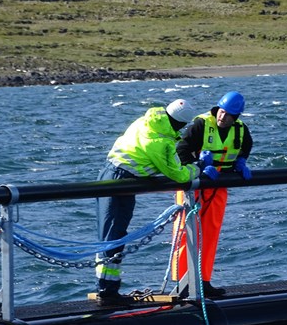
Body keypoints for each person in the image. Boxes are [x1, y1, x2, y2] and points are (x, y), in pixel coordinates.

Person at [95, 99, 201, 306]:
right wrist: (197, 168)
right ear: (181, 124)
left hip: (110, 173)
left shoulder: (145, 121)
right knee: (113, 237)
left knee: (108, 234)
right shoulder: (161, 142)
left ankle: (105, 288)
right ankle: (107, 293)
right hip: (121, 181)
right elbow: (178, 175)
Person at [173, 91, 253, 297]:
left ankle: (203, 280)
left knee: (210, 233)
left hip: (218, 185)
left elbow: (245, 147)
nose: (222, 117)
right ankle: (181, 283)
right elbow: (180, 150)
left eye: (228, 115)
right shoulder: (200, 125)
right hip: (195, 186)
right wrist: (197, 165)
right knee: (186, 232)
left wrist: (241, 162)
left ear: (236, 117)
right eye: (221, 112)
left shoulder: (241, 130)